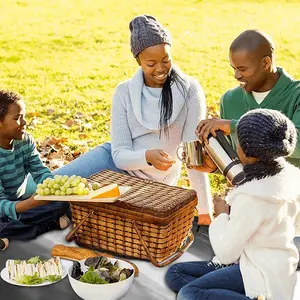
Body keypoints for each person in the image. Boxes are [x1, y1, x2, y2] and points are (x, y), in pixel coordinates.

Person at [50, 15, 213, 224]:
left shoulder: (190, 90)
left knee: (78, 209)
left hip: (149, 185)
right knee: (50, 188)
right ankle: (11, 215)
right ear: (138, 61)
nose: (161, 69)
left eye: (166, 59)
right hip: (112, 163)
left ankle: (59, 217)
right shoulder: (124, 92)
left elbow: (193, 157)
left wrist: (205, 211)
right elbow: (119, 155)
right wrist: (146, 156)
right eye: (151, 63)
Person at [165, 108, 300, 300]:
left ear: (246, 151)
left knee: (189, 292)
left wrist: (222, 215)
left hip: (259, 275)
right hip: (274, 267)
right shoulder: (291, 177)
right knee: (175, 273)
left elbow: (226, 253)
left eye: (238, 141)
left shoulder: (251, 197)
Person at [194, 29, 300, 260]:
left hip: (289, 208)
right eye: (234, 68)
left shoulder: (296, 95)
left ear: (266, 62)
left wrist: (234, 125)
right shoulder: (230, 99)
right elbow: (241, 160)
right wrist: (215, 165)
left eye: (242, 69)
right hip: (248, 205)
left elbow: (297, 143)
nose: (236, 76)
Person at [0, 90, 70, 241]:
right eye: (17, 118)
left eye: (24, 116)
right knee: (3, 224)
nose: (24, 122)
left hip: (20, 202)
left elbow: (40, 172)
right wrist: (29, 204)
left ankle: (14, 231)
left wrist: (53, 189)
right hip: (5, 207)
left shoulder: (25, 141)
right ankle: (46, 225)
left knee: (64, 203)